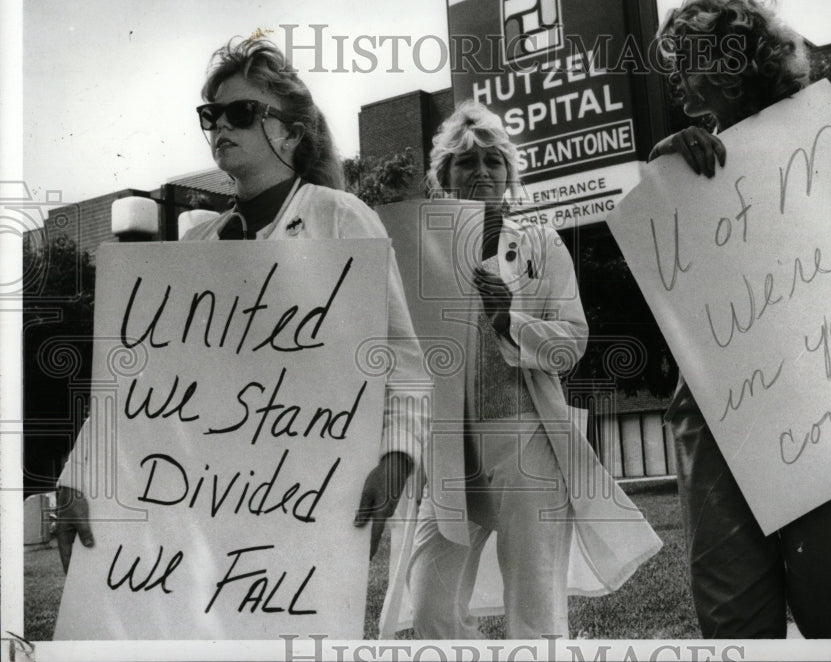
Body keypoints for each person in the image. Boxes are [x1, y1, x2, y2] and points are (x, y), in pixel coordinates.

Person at [55, 37, 427, 573]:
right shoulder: (197, 246)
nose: (221, 126)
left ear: (293, 132)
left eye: (242, 112)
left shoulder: (341, 219)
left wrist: (394, 461)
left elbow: (403, 365)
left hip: (313, 491)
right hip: (208, 494)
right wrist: (78, 477)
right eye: (212, 115)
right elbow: (143, 379)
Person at [648, 0, 831, 639]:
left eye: (687, 63)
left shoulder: (830, 139)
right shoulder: (683, 164)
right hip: (720, 415)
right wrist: (667, 190)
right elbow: (678, 297)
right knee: (732, 621)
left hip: (827, 403)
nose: (677, 83)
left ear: (731, 63)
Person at [403, 100, 661, 640]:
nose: (481, 172)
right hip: (449, 447)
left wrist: (507, 320)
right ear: (443, 175)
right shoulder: (419, 251)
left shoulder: (540, 243)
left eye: (494, 161)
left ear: (509, 174)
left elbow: (571, 343)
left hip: (525, 440)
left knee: (535, 610)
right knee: (431, 611)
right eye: (467, 162)